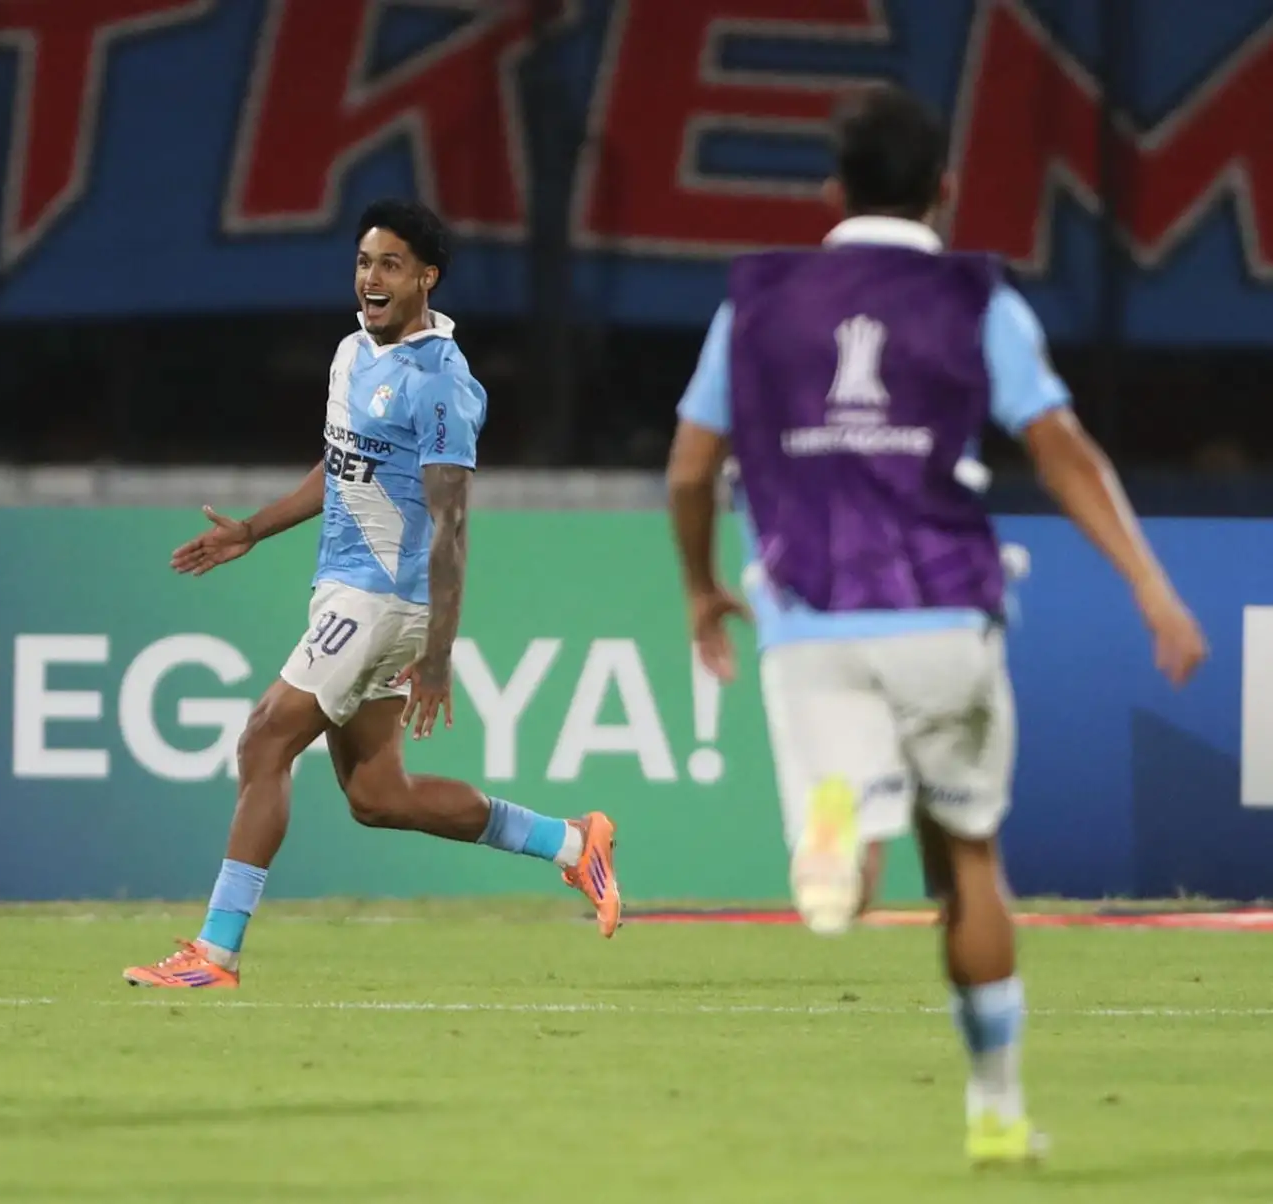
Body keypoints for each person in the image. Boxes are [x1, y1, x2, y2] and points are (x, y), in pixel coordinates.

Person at [666, 85, 1207, 1167]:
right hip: (945, 613)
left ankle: (840, 833)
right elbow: (1061, 449)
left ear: (833, 192)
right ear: (944, 188)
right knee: (968, 859)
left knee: (847, 878)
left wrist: (698, 585)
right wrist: (1151, 585)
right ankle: (996, 1111)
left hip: (810, 614)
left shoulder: (756, 302)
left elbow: (689, 469)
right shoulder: (976, 299)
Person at [124, 199, 620, 988]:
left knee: (264, 740)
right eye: (363, 262)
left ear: (427, 278)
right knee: (377, 794)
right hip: (343, 591)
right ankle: (571, 842)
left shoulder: (441, 385)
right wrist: (253, 530)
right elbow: (341, 467)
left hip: (388, 600)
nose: (371, 278)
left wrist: (438, 651)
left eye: (391, 264)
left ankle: (215, 952)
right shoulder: (351, 353)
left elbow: (451, 525)